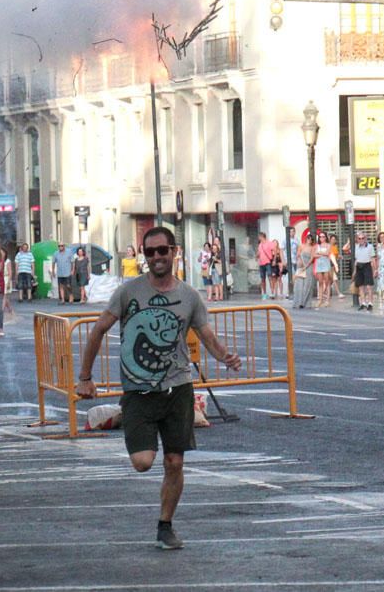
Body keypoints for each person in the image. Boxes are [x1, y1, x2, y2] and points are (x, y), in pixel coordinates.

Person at [75, 227, 241, 550]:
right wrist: (85, 376)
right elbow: (98, 330)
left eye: (161, 250)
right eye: (149, 252)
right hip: (138, 391)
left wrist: (224, 356)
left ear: (174, 251)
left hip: (178, 388)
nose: (156, 258)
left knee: (174, 462)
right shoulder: (129, 293)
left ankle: (165, 525)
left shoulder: (189, 296)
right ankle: (131, 421)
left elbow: (204, 333)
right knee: (142, 462)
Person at [353, 232, 376, 311]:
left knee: (369, 286)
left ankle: (370, 303)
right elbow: (345, 249)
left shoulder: (369, 246)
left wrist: (375, 269)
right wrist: (350, 241)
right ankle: (363, 303)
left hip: (367, 265)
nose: (361, 240)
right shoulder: (356, 247)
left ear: (365, 239)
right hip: (359, 266)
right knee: (361, 286)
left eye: (363, 238)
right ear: (357, 239)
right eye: (359, 238)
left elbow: (373, 258)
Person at [292, 234, 316, 309]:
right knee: (299, 285)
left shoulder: (312, 248)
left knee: (307, 285)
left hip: (308, 266)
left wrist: (306, 266)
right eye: (308, 238)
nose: (309, 240)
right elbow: (298, 255)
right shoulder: (301, 246)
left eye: (311, 239)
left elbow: (312, 258)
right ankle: (298, 302)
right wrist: (301, 264)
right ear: (306, 239)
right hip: (301, 265)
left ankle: (305, 303)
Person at [315, 231, 332, 308]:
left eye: (323, 237)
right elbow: (314, 254)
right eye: (320, 237)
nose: (322, 238)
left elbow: (327, 253)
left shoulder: (328, 245)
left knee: (327, 282)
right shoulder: (317, 245)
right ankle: (320, 299)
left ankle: (327, 300)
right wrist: (320, 253)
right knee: (320, 282)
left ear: (326, 237)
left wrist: (319, 253)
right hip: (319, 264)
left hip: (325, 264)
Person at [256, 232, 273, 299]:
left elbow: (273, 250)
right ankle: (264, 293)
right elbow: (259, 252)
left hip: (268, 262)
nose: (258, 238)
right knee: (263, 279)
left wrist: (274, 260)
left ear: (262, 236)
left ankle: (272, 292)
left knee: (270, 277)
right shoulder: (260, 245)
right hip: (261, 263)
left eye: (259, 236)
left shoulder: (269, 243)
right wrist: (256, 256)